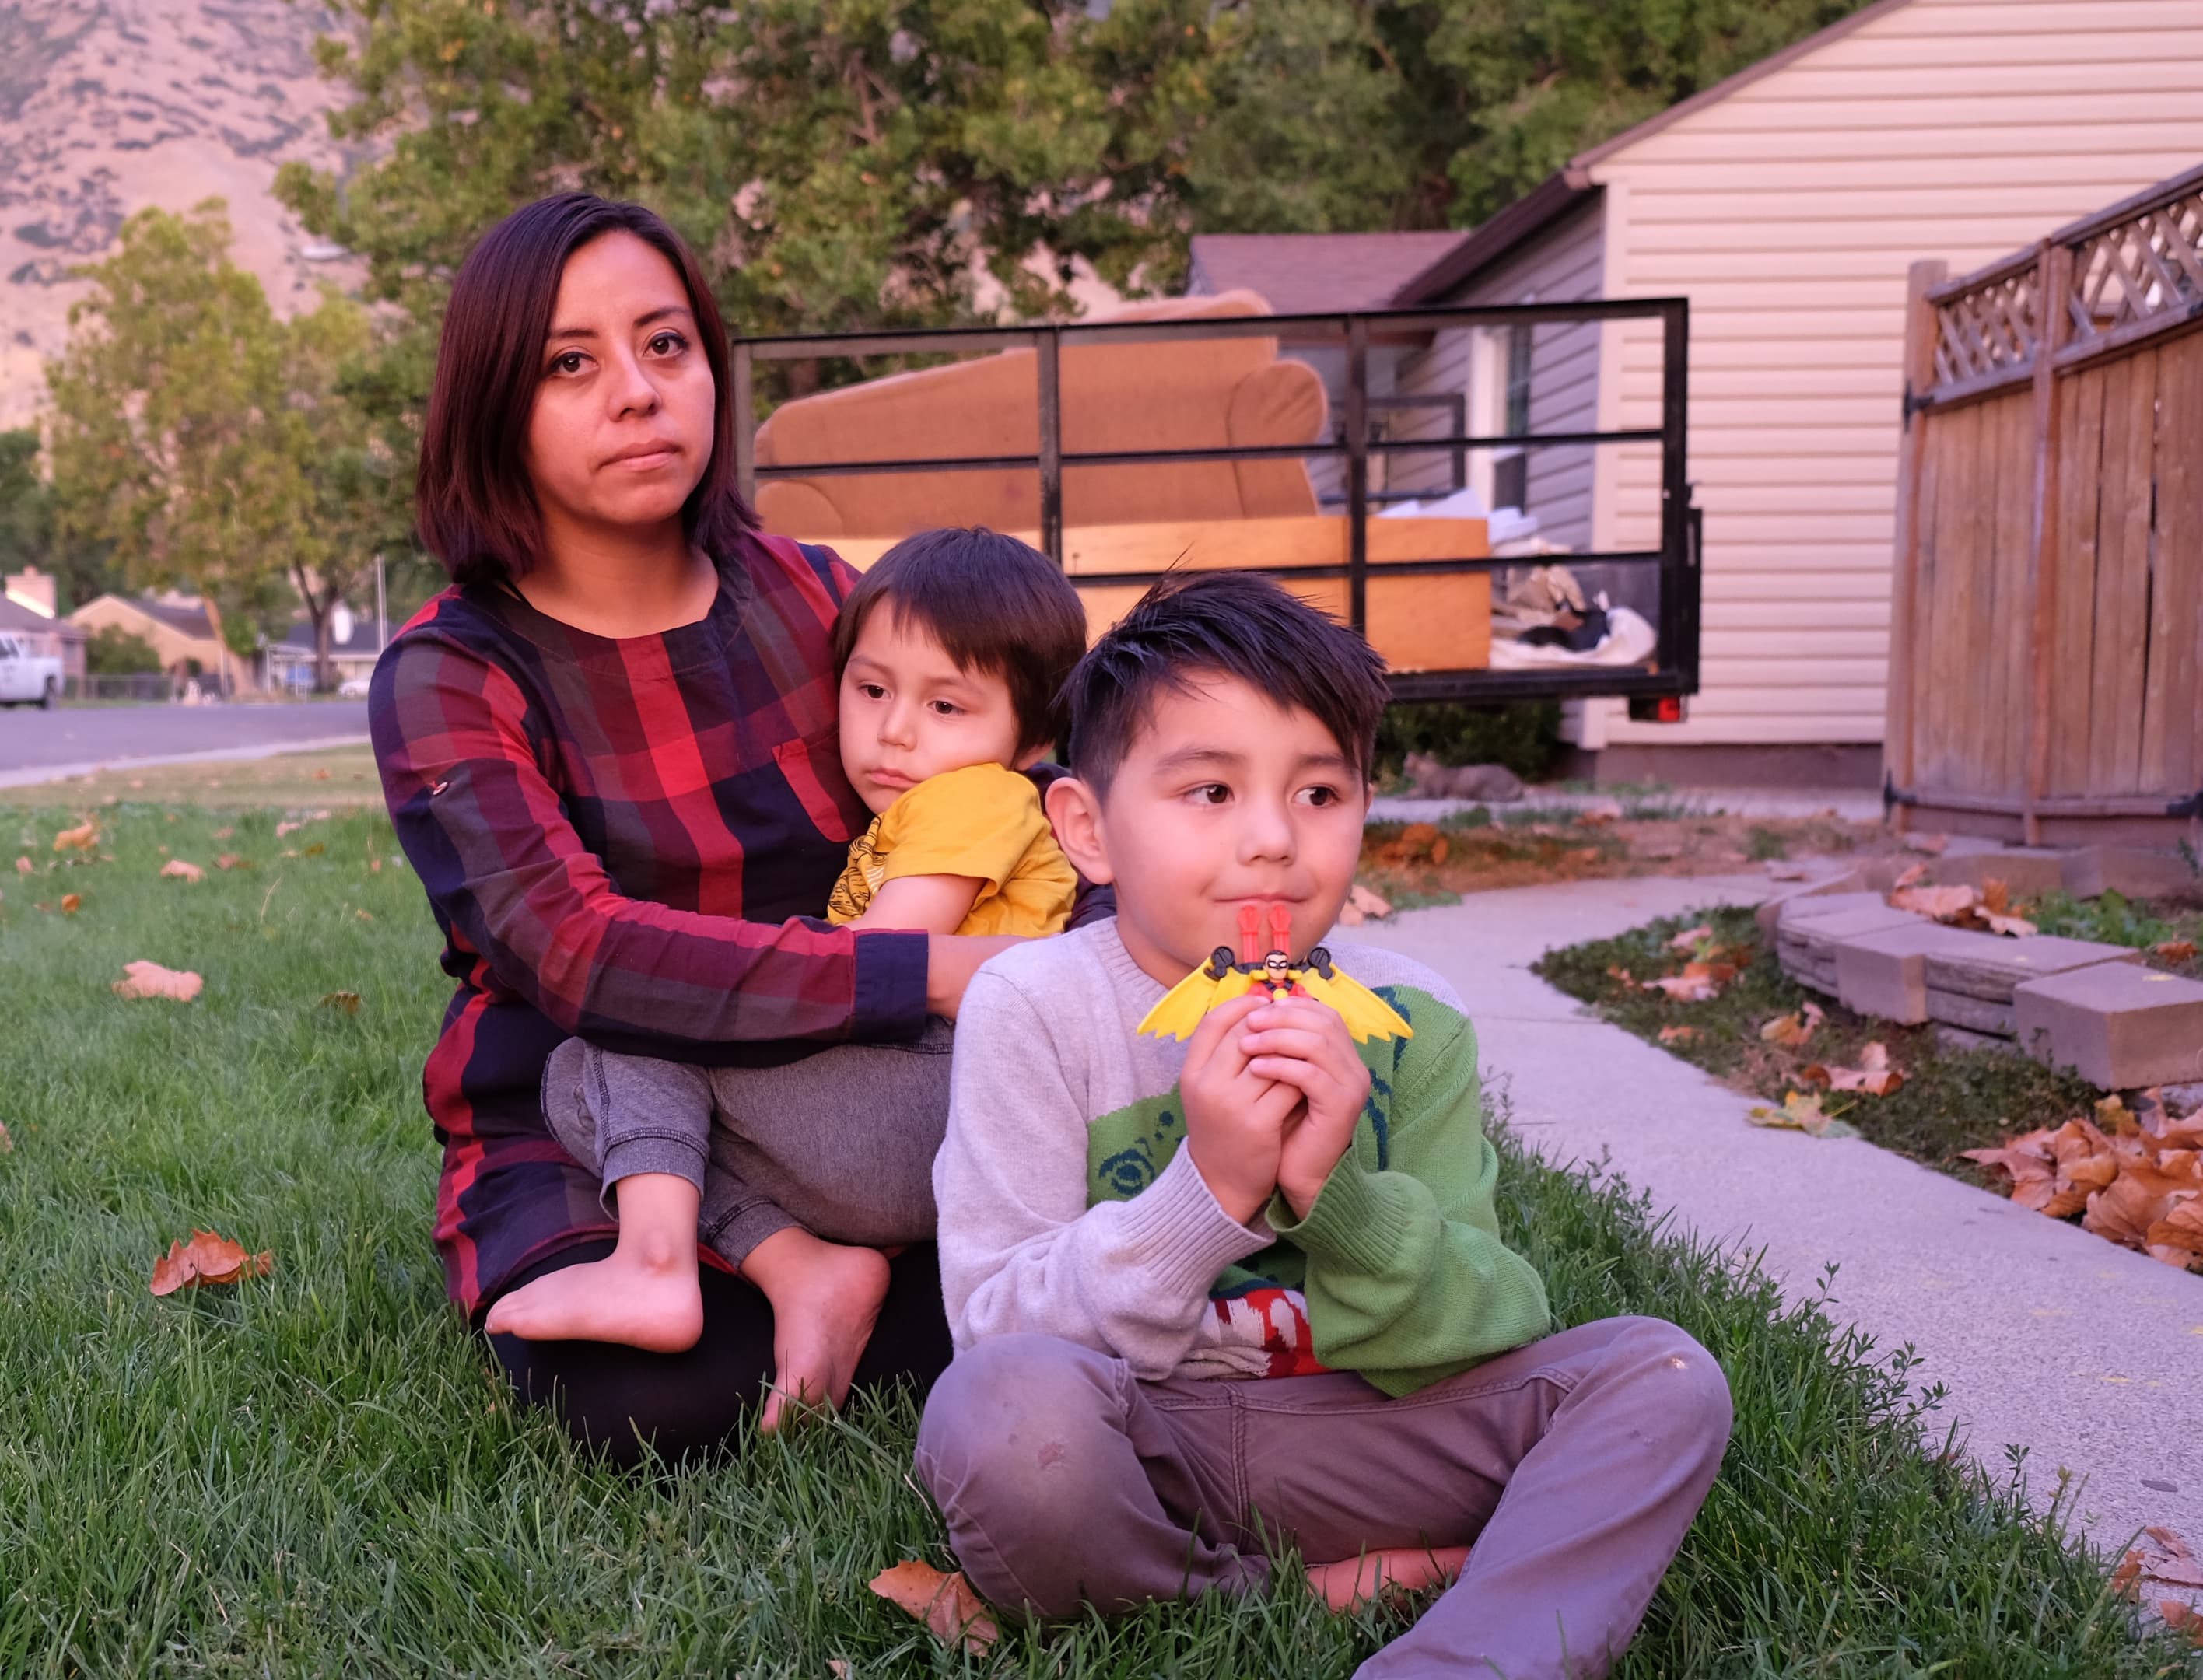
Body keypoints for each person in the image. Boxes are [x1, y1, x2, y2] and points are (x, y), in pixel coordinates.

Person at [915, 572, 1732, 1676]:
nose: (1273, 843)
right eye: (1209, 793)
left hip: (1376, 1430)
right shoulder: (1036, 1007)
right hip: (1153, 1439)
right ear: (1088, 829)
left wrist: (1335, 1197)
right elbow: (993, 1324)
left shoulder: (1415, 1019)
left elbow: (1492, 1319)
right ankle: (1280, 1591)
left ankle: (1464, 1659)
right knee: (998, 1420)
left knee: (1660, 1376)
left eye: (1319, 795)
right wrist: (1206, 1195)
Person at [369, 193, 1019, 1463]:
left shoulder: (826, 599)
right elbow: (577, 956)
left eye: (666, 346)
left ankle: (874, 1269)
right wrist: (931, 967)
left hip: (847, 1087)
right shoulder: (451, 673)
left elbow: (1014, 785)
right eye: (573, 363)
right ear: (496, 403)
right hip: (604, 1116)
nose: (638, 392)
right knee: (643, 1399)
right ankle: (865, 1276)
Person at [483, 529, 1087, 1427]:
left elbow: (883, 956)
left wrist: (720, 977)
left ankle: (654, 1267)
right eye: (872, 689)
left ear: (1032, 734)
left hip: (945, 1100)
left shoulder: (982, 798)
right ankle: (798, 1265)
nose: (894, 730)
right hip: (907, 1112)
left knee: (641, 1017)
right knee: (582, 1083)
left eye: (946, 707)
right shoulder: (928, 802)